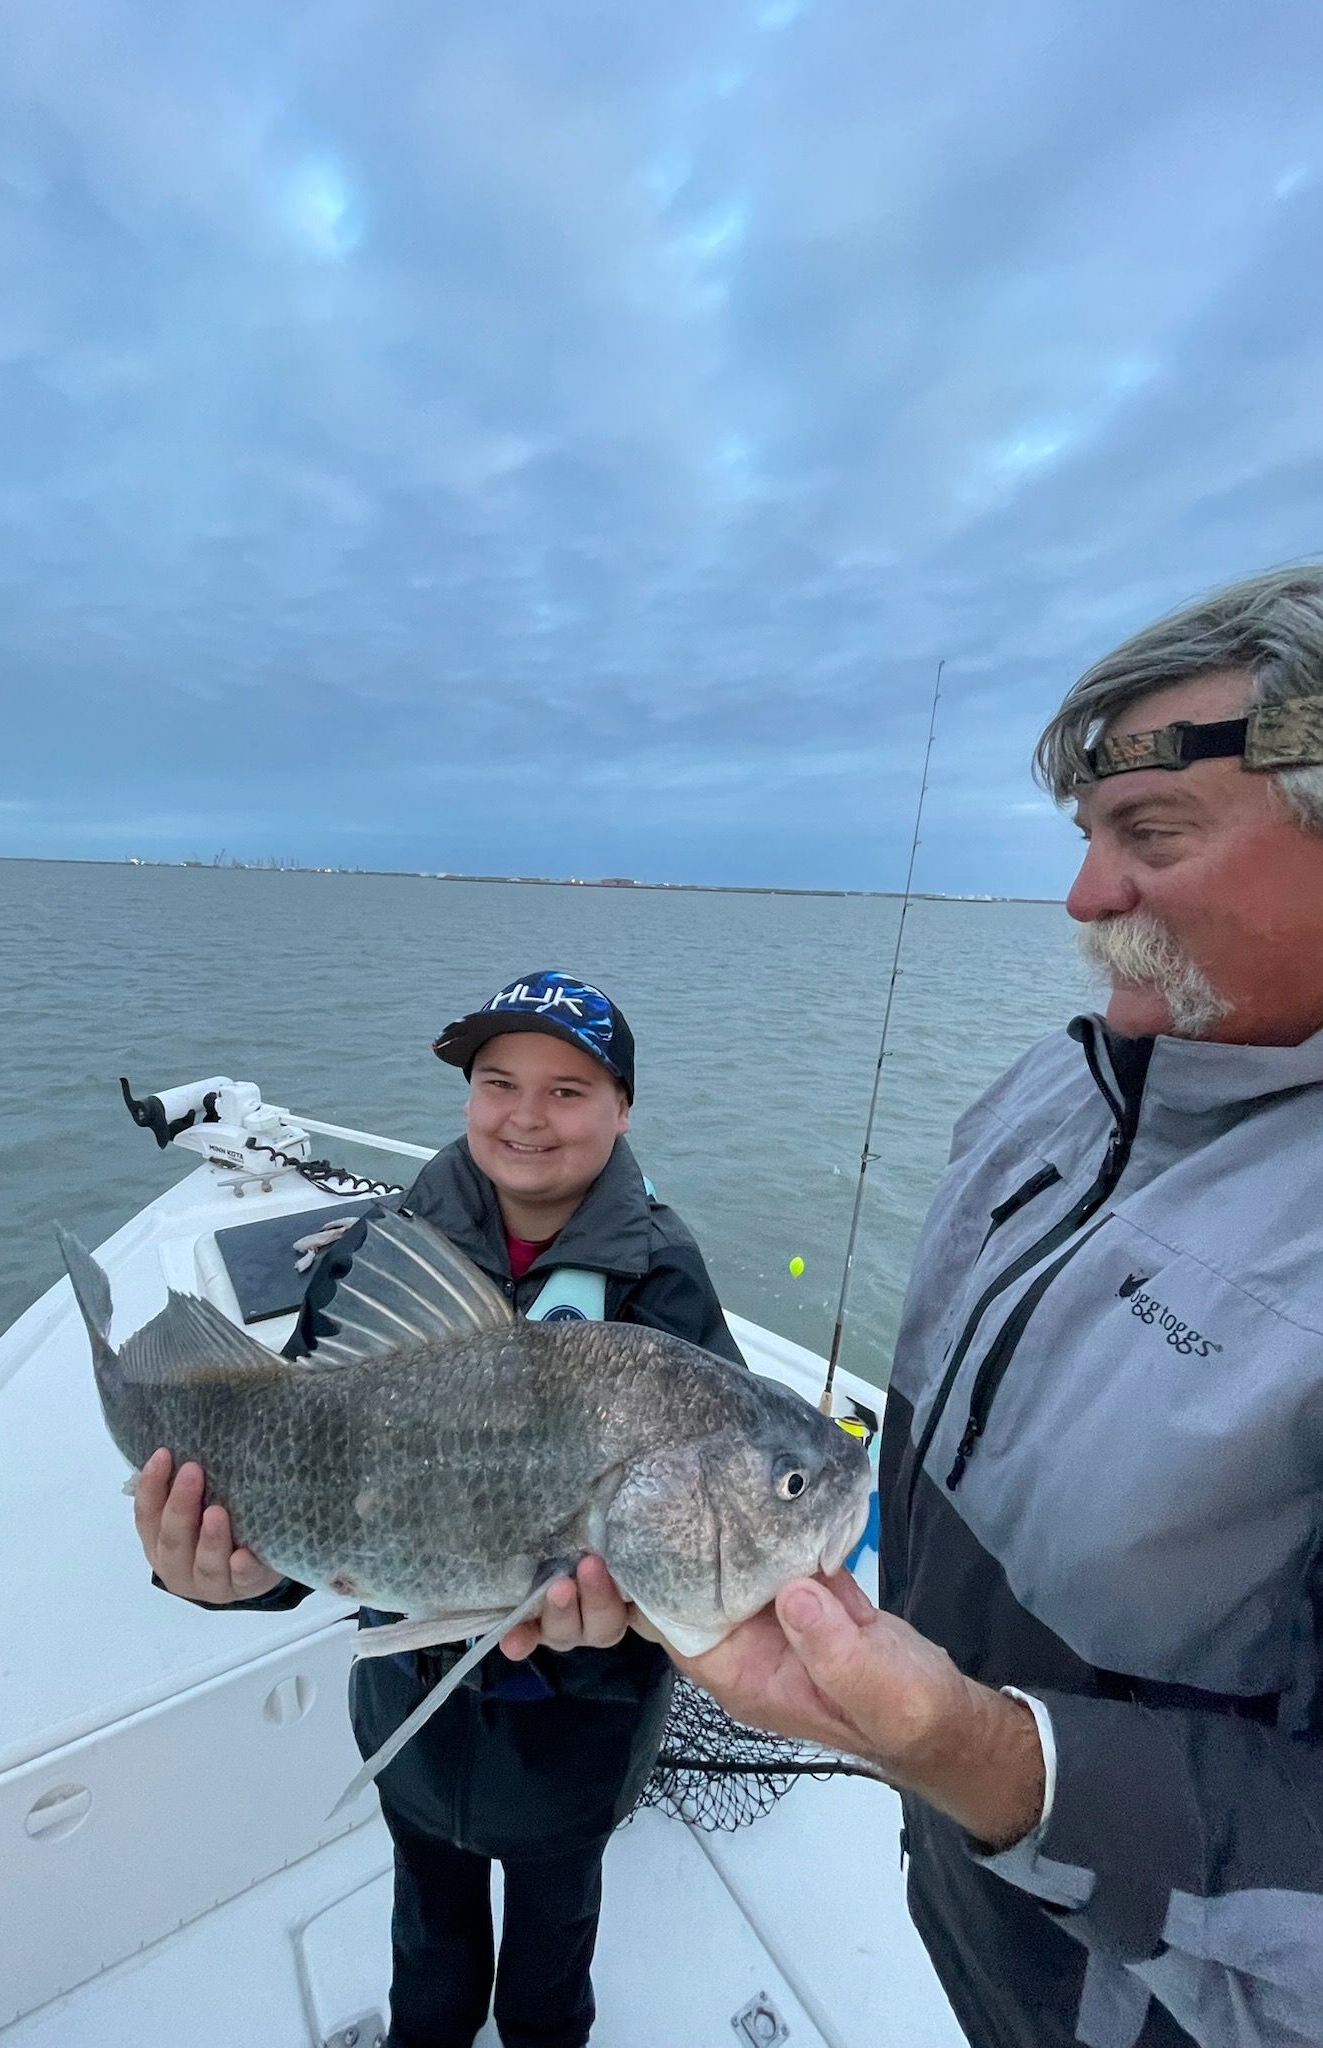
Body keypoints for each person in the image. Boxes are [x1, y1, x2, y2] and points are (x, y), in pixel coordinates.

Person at [505, 567, 1323, 2048]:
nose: (1084, 897)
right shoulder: (1050, 1091)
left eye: (1150, 833)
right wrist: (940, 1765)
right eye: (1086, 838)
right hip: (964, 1896)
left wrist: (994, 1759)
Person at [132, 968, 746, 2048]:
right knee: (429, 1939)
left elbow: (705, 1522)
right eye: (498, 1082)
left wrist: (638, 1623)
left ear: (623, 1107)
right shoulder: (380, 1250)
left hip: (578, 1742)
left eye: (568, 1089)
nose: (526, 1115)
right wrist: (234, 1576)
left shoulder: (665, 1283)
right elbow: (297, 1456)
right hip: (409, 1716)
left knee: (554, 1951)